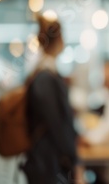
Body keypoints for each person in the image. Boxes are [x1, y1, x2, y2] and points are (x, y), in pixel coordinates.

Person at [22, 14, 82, 184]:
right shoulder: (46, 77)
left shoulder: (42, 73)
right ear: (60, 39)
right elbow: (56, 122)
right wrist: (74, 159)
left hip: (45, 159)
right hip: (48, 162)